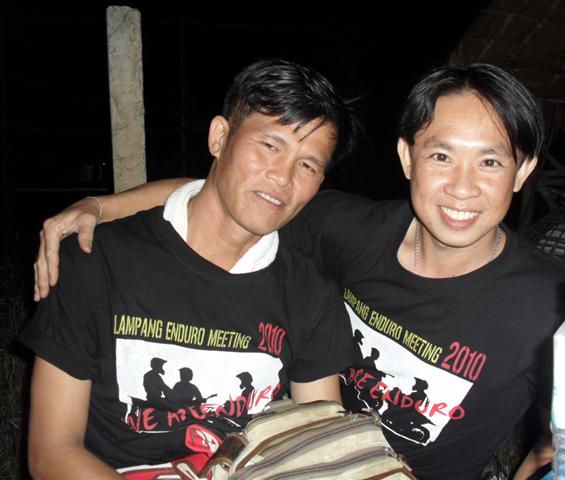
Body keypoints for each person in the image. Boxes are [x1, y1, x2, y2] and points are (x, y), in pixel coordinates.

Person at [33, 63, 565, 479]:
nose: (462, 187)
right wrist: (101, 206)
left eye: (490, 161)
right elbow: (229, 198)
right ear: (408, 157)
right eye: (441, 157)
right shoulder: (348, 231)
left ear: (523, 169)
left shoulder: (552, 304)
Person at [21, 58, 359, 479]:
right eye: (270, 146)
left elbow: (320, 450)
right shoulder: (95, 260)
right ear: (220, 137)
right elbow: (52, 452)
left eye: (308, 165)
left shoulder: (309, 293)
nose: (283, 177)